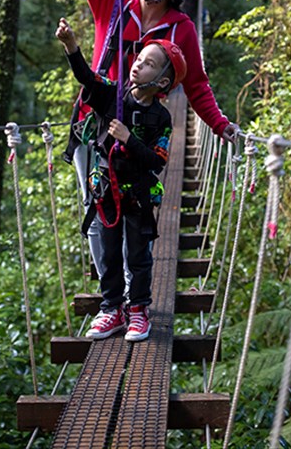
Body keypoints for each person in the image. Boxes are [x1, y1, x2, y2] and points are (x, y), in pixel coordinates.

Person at [30, 0, 239, 279]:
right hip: (96, 120)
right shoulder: (114, 2)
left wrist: (220, 125)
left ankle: (132, 290)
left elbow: (195, 84)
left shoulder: (182, 29)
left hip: (141, 130)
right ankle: (117, 295)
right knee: (97, 207)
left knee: (134, 210)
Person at [56, 17, 185, 341]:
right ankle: (112, 308)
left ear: (163, 81)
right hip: (106, 191)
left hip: (139, 195)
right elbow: (87, 78)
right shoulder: (113, 98)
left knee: (138, 255)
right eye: (139, 59)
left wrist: (129, 139)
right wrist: (72, 46)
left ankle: (138, 309)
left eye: (149, 64)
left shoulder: (161, 118)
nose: (138, 65)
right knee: (110, 252)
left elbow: (157, 160)